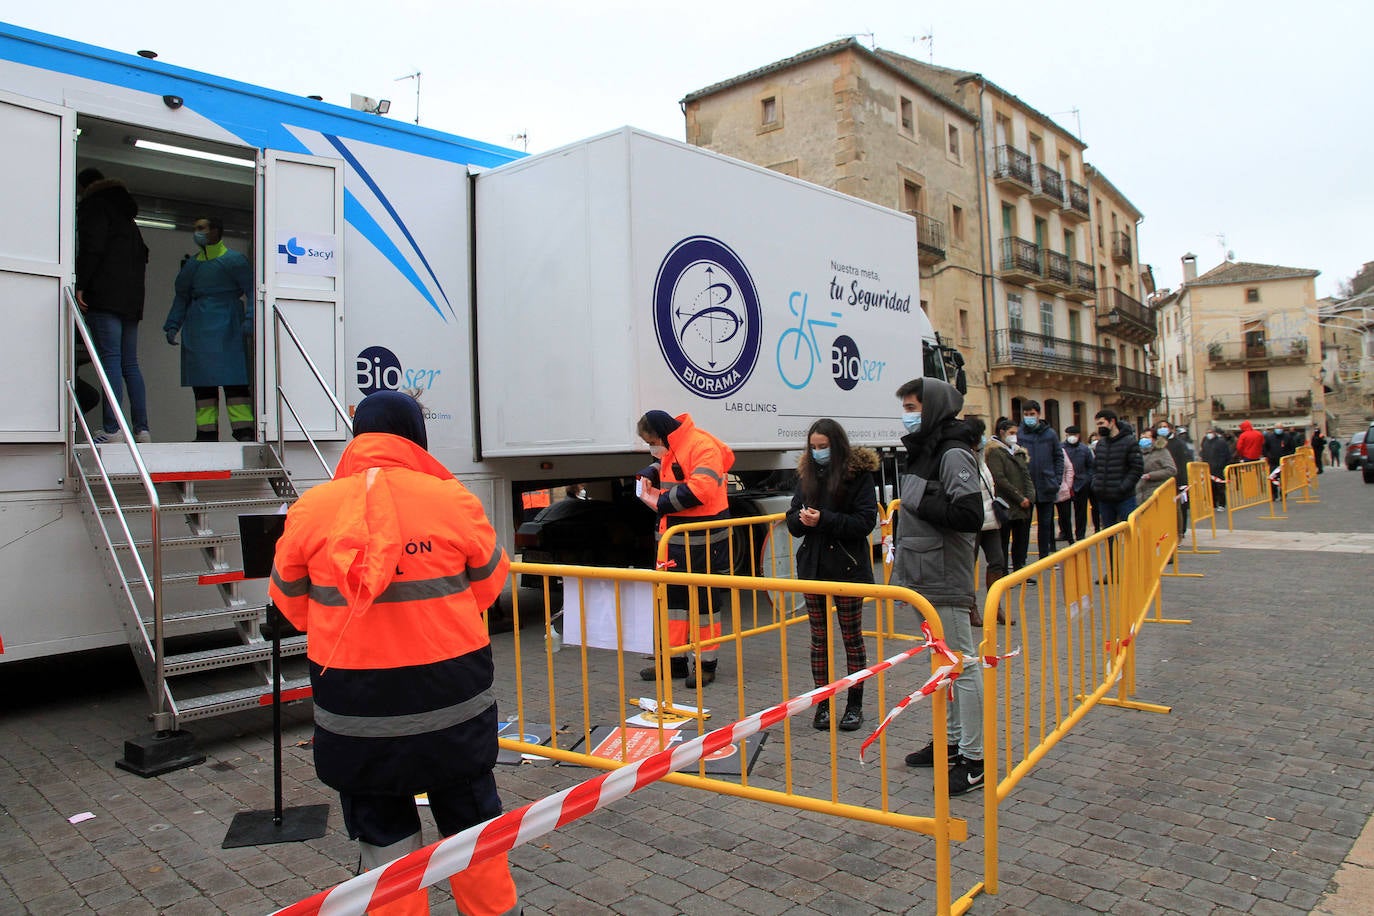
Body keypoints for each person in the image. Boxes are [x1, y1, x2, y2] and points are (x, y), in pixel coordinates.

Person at [267, 391, 518, 916]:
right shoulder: (452, 500)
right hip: (453, 709)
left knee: (385, 846)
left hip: (358, 719)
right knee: (473, 832)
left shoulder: (312, 508)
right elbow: (490, 584)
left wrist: (355, 627)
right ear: (415, 437)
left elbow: (291, 604)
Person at [890, 378, 986, 796]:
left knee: (962, 665)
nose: (908, 414)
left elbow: (969, 514)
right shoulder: (926, 450)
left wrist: (917, 502)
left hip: (944, 575)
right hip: (921, 574)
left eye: (913, 406)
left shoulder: (951, 452)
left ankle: (973, 759)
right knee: (942, 664)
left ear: (932, 409)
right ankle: (948, 744)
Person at [784, 419, 877, 732]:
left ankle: (854, 704)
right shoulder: (807, 474)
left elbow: (864, 522)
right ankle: (822, 704)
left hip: (847, 568)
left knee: (852, 639)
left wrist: (824, 519)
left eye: (823, 446)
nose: (817, 452)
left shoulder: (858, 475)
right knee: (818, 641)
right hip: (814, 568)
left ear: (837, 445)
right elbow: (792, 518)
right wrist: (801, 519)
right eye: (813, 446)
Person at [636, 410, 734, 688]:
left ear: (663, 433)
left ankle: (705, 665)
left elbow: (700, 490)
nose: (652, 447)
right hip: (674, 544)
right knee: (672, 607)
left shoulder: (702, 446)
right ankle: (674, 662)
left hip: (704, 544)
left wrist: (661, 501)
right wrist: (649, 473)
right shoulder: (674, 445)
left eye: (651, 441)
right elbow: (666, 466)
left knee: (704, 607)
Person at [75, 168, 151, 444]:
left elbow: (91, 248)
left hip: (105, 296)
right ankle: (142, 429)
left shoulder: (93, 207)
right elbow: (143, 255)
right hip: (131, 299)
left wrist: (82, 283)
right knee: (129, 362)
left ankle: (112, 429)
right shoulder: (128, 217)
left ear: (84, 187)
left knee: (110, 362)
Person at [164, 217, 255, 442]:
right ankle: (206, 435)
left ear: (216, 231)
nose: (197, 233)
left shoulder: (235, 261)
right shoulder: (192, 266)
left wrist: (251, 318)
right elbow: (181, 297)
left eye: (202, 228)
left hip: (229, 327)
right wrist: (173, 324)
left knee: (235, 384)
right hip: (198, 330)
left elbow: (253, 291)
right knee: (203, 386)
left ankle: (244, 431)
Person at [966, 417, 1010, 626]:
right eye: (981, 434)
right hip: (973, 522)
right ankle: (970, 608)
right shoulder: (964, 458)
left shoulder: (983, 457)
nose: (984, 438)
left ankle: (995, 606)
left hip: (991, 521)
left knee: (998, 560)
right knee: (968, 566)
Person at [985, 417, 1034, 578]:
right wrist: (1019, 498)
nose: (1014, 436)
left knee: (1021, 539)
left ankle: (1020, 570)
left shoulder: (1018, 451)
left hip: (1023, 505)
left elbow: (1026, 475)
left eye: (1016, 433)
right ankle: (1004, 573)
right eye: (1011, 433)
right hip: (1006, 504)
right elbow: (1000, 479)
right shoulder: (994, 452)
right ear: (1002, 432)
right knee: (1003, 540)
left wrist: (1030, 496)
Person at [1017, 400, 1064, 563]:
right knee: (1023, 525)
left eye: (1032, 414)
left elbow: (1059, 457)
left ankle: (1045, 557)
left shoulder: (1050, 434)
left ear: (1038, 414)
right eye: (1026, 414)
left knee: (1046, 524)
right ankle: (1020, 560)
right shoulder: (1019, 434)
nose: (1029, 417)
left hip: (1047, 484)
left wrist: (1057, 479)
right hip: (1026, 487)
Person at [1090, 409, 1144, 527]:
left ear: (1112, 422)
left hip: (1124, 498)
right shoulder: (1101, 444)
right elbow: (1095, 467)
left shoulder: (1129, 442)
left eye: (1101, 423)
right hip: (1104, 498)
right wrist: (1096, 484)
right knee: (1108, 534)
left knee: (1130, 531)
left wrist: (1123, 487)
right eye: (1097, 424)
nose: (1099, 427)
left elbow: (1137, 468)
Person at [1058, 425, 1094, 543]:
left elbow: (1091, 466)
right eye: (1068, 435)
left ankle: (1080, 534)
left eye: (1074, 435)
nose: (1071, 437)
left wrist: (1087, 479)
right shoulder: (1060, 448)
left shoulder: (1085, 449)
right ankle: (1064, 532)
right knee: (1063, 512)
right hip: (1065, 485)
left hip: (1081, 484)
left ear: (1078, 435)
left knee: (1081, 511)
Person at [1157, 420, 1191, 535]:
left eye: (1165, 426)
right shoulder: (1158, 443)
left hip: (1177, 480)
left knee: (1180, 508)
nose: (1162, 429)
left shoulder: (1179, 444)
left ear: (1171, 429)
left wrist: (1183, 482)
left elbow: (1182, 463)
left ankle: (1180, 531)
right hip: (1163, 481)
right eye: (1160, 427)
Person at [1136, 428, 1178, 504]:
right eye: (1142, 438)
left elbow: (1171, 470)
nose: (1143, 440)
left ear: (1154, 439)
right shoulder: (1138, 453)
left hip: (1157, 493)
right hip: (1140, 493)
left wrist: (1151, 475)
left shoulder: (1161, 452)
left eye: (1147, 438)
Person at [1200, 427, 1234, 509]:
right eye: (1207, 432)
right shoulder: (1205, 442)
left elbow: (1226, 455)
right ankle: (1213, 503)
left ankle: (1222, 503)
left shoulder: (1221, 442)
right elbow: (1203, 453)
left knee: (1220, 486)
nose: (1209, 434)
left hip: (1218, 468)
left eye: (1210, 432)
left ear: (1215, 433)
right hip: (1208, 468)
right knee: (1210, 487)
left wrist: (1221, 465)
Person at [1263, 423, 1295, 497]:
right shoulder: (1270, 437)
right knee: (1273, 478)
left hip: (1284, 461)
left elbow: (1292, 447)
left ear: (1282, 429)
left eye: (1280, 428)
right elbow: (1265, 448)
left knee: (1284, 478)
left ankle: (1283, 493)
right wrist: (1268, 456)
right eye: (1277, 428)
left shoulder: (1287, 437)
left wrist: (1288, 455)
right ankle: (1274, 494)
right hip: (1273, 461)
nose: (1279, 429)